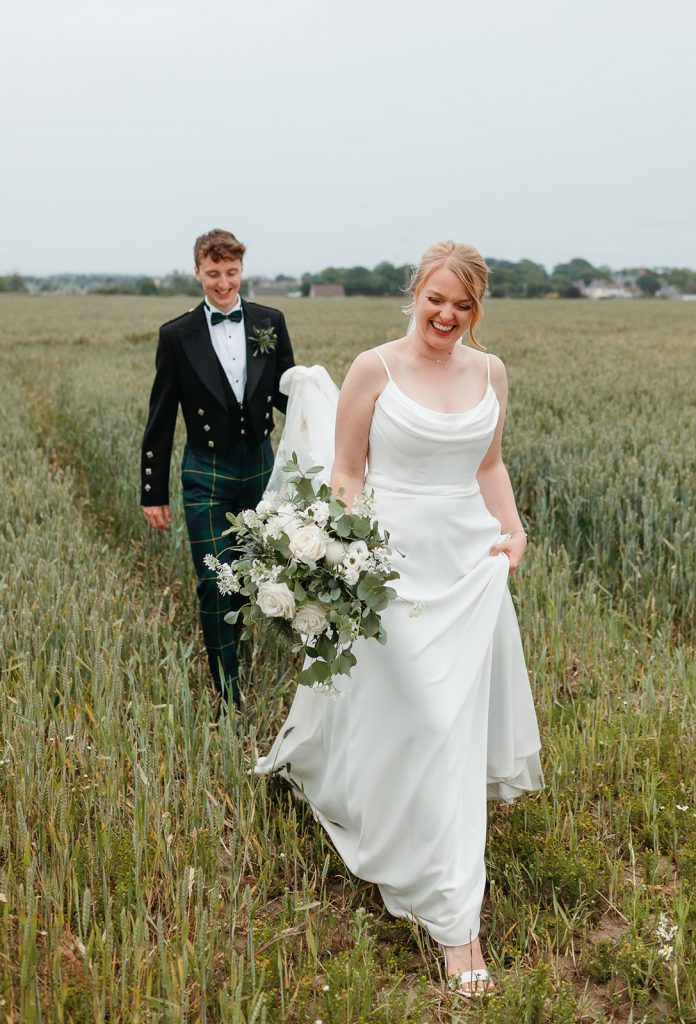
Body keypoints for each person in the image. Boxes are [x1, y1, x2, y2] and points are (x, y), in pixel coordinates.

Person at [256, 241, 542, 997]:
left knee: (450, 726)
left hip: (470, 566)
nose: (447, 315)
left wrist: (514, 533)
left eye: (464, 305)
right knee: (417, 715)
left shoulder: (492, 373)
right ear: (415, 294)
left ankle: (454, 912)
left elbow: (488, 465)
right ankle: (456, 923)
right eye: (436, 299)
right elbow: (347, 474)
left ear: (477, 310)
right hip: (392, 570)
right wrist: (351, 563)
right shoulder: (372, 369)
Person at [140, 229, 295, 706]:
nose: (223, 283)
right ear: (197, 273)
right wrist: (153, 491)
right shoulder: (177, 334)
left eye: (230, 273)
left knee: (262, 576)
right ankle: (229, 691)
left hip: (261, 467)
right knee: (215, 580)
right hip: (206, 472)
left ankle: (263, 653)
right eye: (213, 274)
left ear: (241, 271)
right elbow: (162, 416)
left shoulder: (271, 320)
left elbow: (290, 394)